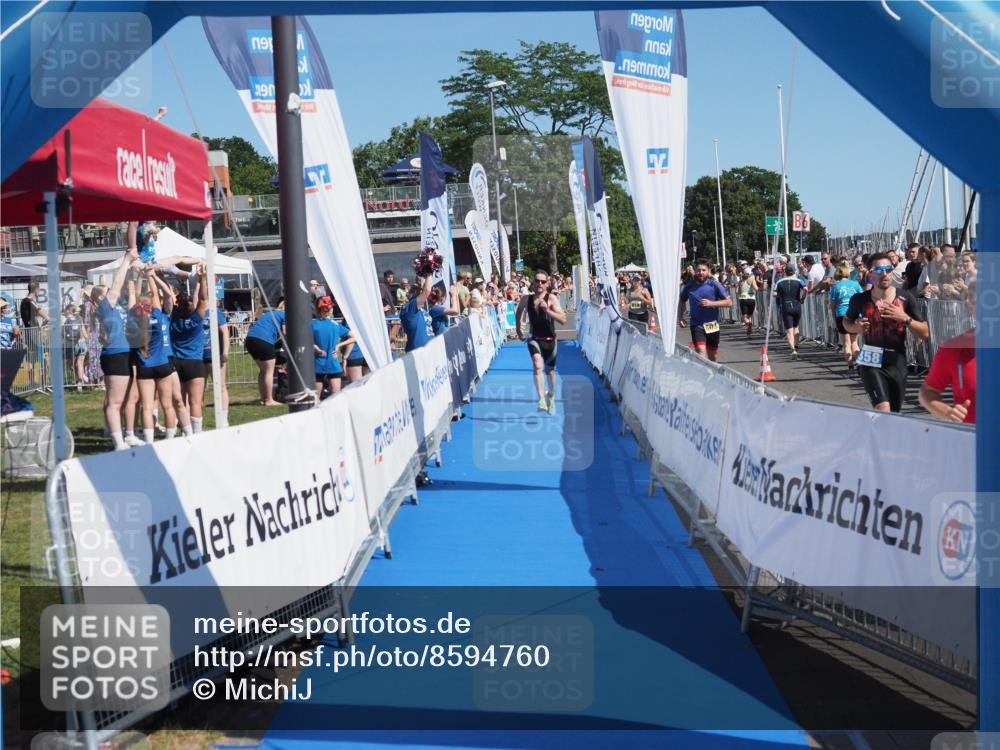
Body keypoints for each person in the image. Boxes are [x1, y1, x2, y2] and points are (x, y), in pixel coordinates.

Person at [844, 252, 930, 413]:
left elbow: (924, 332)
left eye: (888, 269)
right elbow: (846, 322)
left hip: (897, 359)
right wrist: (856, 328)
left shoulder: (905, 298)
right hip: (870, 358)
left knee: (894, 414)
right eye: (879, 270)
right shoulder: (860, 299)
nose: (884, 274)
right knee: (883, 409)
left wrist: (905, 318)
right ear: (869, 274)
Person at [127, 267, 193, 444]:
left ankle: (149, 442)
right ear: (150, 306)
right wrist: (151, 276)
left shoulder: (133, 321)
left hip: (145, 367)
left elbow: (133, 302)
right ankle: (170, 439)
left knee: (147, 407)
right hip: (163, 364)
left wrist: (133, 282)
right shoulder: (158, 316)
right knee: (167, 405)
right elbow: (157, 295)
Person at [95, 240, 140, 450]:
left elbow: (128, 290)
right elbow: (116, 286)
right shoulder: (104, 307)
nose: (111, 292)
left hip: (125, 353)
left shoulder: (117, 306)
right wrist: (126, 260)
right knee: (114, 402)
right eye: (106, 292)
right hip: (115, 354)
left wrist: (134, 270)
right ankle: (118, 442)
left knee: (129, 397)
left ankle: (128, 435)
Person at [919, 281, 975, 424]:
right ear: (970, 306)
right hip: (972, 440)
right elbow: (927, 392)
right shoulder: (953, 349)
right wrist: (948, 412)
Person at [515, 271, 567, 414]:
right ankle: (541, 400)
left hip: (550, 340)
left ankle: (551, 394)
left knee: (550, 371)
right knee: (538, 366)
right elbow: (519, 312)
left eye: (543, 282)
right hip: (534, 338)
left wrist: (547, 310)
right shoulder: (526, 299)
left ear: (547, 284)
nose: (539, 284)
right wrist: (519, 330)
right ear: (533, 282)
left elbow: (563, 320)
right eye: (537, 281)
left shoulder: (551, 298)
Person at [170, 264, 210, 432]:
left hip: (177, 363)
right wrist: (202, 278)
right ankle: (197, 432)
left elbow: (169, 300)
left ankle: (183, 430)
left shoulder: (172, 320)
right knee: (195, 401)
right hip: (194, 362)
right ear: (191, 308)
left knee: (179, 401)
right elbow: (203, 300)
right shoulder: (196, 320)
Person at [677, 259, 732, 363]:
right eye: (698, 270)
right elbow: (681, 300)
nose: (701, 272)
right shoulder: (690, 285)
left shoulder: (714, 284)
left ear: (708, 271)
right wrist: (680, 317)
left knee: (713, 356)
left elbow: (729, 302)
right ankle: (702, 374)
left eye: (703, 270)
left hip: (712, 324)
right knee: (700, 350)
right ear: (695, 271)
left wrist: (711, 303)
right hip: (696, 324)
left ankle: (713, 373)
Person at [311, 296, 354, 400]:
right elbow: (353, 337)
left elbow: (305, 341)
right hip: (333, 363)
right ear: (330, 309)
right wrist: (338, 346)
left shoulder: (312, 324)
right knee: (335, 398)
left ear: (317, 309)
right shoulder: (335, 325)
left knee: (315, 399)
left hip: (318, 363)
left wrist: (316, 348)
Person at [245, 304, 286, 406]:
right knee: (269, 371)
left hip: (250, 340)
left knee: (263, 371)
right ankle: (269, 400)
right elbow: (286, 333)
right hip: (263, 340)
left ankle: (263, 398)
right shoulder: (285, 315)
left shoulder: (271, 314)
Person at [829, 263, 863, 368]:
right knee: (854, 342)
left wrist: (834, 314)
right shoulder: (855, 284)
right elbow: (862, 298)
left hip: (841, 314)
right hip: (855, 313)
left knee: (846, 343)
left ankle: (850, 366)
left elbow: (833, 305)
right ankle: (859, 363)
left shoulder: (835, 287)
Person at [773, 265, 805, 358]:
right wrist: (803, 298)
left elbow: (774, 294)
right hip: (796, 304)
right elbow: (806, 289)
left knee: (789, 329)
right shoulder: (799, 280)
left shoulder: (779, 281)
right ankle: (796, 345)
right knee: (796, 326)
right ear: (794, 271)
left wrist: (781, 295)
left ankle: (793, 350)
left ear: (785, 272)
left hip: (786, 305)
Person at [399, 276, 435, 353]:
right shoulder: (409, 309)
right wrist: (429, 272)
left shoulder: (421, 310)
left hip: (429, 350)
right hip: (418, 352)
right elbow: (426, 291)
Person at [737, 268, 758, 336]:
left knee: (744, 317)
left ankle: (749, 323)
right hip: (752, 299)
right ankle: (749, 329)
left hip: (743, 299)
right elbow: (756, 288)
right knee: (749, 315)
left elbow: (737, 291)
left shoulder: (740, 281)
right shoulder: (752, 279)